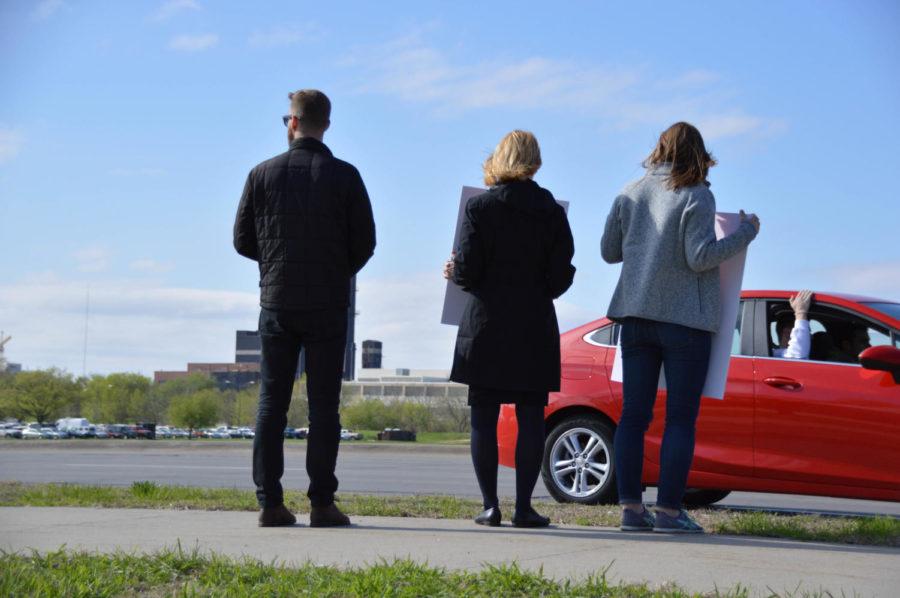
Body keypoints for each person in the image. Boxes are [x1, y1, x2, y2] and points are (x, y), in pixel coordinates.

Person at [600, 122, 760, 534]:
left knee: (633, 417)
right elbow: (700, 257)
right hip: (685, 323)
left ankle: (631, 511)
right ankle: (670, 513)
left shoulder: (630, 191)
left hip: (635, 317)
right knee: (680, 421)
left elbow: (608, 252)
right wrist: (745, 234)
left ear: (659, 149)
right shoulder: (698, 195)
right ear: (698, 154)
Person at [234, 89, 376, 527]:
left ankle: (269, 503)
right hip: (327, 305)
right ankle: (321, 503)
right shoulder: (345, 176)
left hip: (276, 302)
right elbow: (365, 243)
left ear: (291, 123)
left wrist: (275, 265)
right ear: (325, 125)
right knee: (323, 409)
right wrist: (335, 271)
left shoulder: (261, 175)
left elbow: (242, 241)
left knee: (270, 405)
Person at [443, 130, 575, 528]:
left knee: (483, 416)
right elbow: (560, 277)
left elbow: (467, 270)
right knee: (531, 416)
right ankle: (523, 507)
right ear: (535, 161)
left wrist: (454, 270)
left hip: (485, 326)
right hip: (533, 326)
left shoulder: (479, 208)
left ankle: (489, 505)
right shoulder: (551, 210)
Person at [773, 290, 813, 359]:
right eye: (808, 333)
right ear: (787, 333)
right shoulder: (776, 356)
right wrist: (801, 312)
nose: (811, 336)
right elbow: (797, 355)